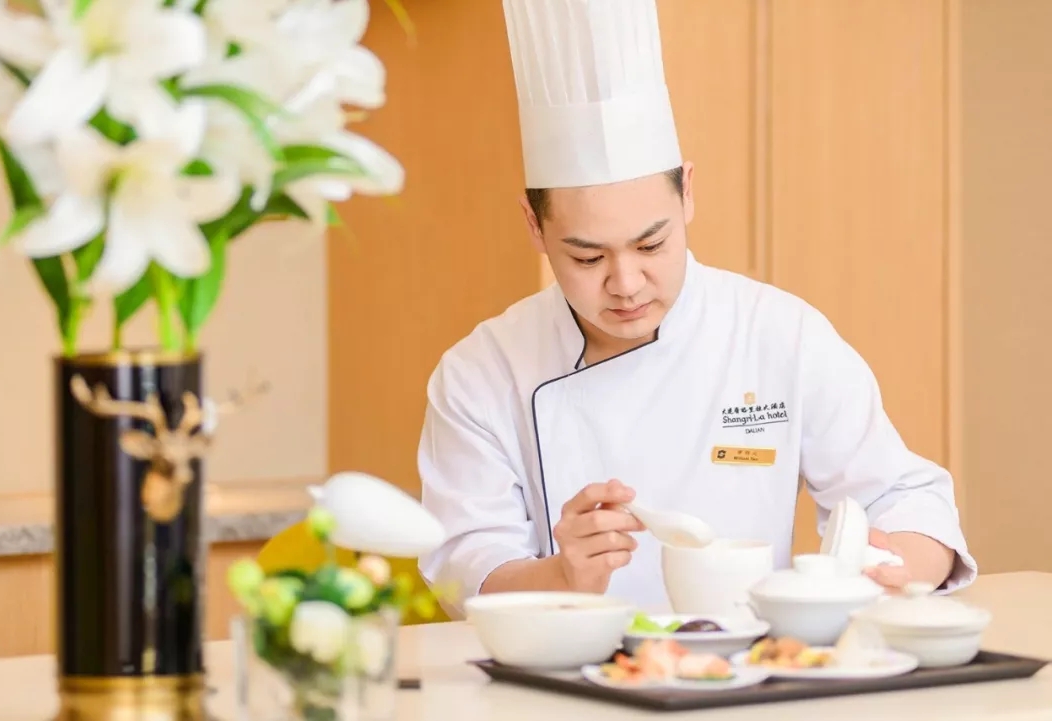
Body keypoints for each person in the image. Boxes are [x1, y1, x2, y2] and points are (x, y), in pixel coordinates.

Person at [416, 0, 975, 617]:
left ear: (687, 193)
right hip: (562, 667)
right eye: (587, 257)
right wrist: (562, 574)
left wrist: (891, 569)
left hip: (755, 663)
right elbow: (465, 570)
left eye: (651, 245)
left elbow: (905, 495)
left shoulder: (779, 334)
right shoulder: (482, 372)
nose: (626, 284)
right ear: (534, 225)